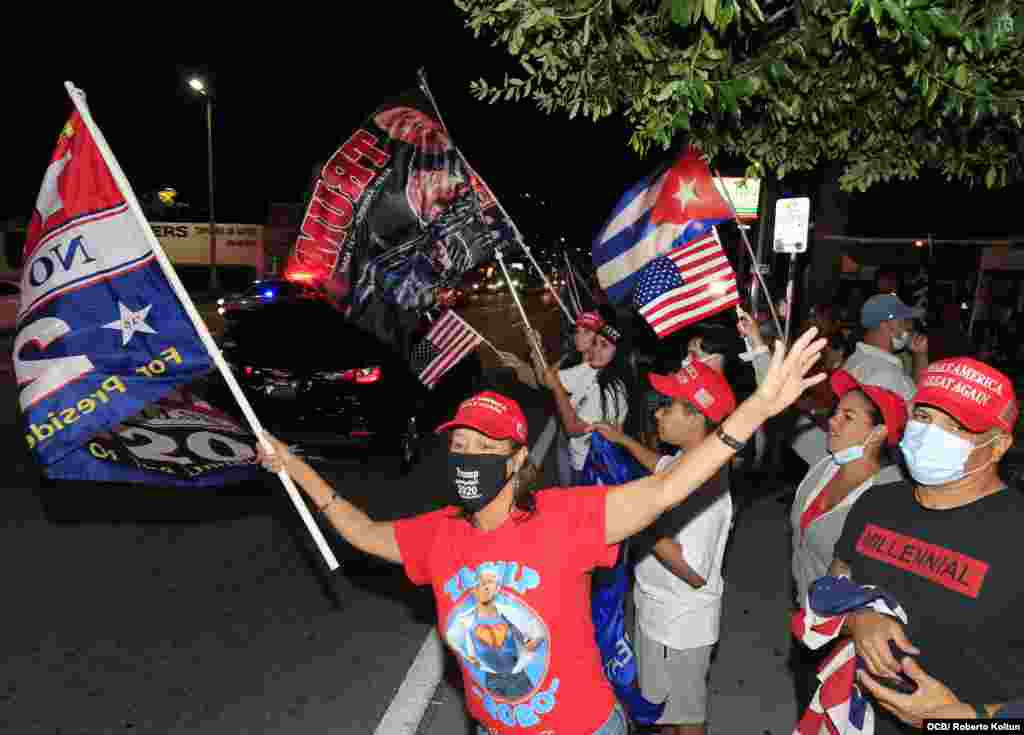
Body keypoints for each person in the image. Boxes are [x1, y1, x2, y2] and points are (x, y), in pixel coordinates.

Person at [256, 330, 826, 735]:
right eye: (459, 447)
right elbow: (361, 531)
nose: (468, 457)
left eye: (485, 448)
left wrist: (756, 408)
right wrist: (295, 468)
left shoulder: (562, 518)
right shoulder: (438, 535)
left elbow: (665, 491)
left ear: (517, 459)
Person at [829, 356, 1023, 733]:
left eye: (956, 427)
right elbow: (831, 587)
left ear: (998, 445)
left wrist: (966, 720)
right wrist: (857, 618)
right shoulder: (877, 503)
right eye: (923, 417)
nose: (930, 434)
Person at [738, 309, 909, 711]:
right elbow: (780, 406)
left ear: (879, 431)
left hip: (850, 640)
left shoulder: (889, 498)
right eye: (835, 411)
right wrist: (757, 348)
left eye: (847, 417)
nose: (832, 422)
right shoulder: (826, 462)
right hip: (806, 620)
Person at [596, 360, 735, 735]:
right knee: (660, 710)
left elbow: (693, 571)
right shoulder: (686, 460)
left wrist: (638, 522)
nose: (658, 412)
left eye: (668, 406)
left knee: (684, 717)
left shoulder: (707, 489)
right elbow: (661, 466)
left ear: (695, 418)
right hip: (657, 613)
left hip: (680, 627)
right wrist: (623, 442)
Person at [845, 293, 928, 397]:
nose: (909, 327)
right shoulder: (886, 373)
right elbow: (919, 405)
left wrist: (920, 355)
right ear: (887, 323)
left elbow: (913, 392)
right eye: (904, 321)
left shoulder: (855, 361)